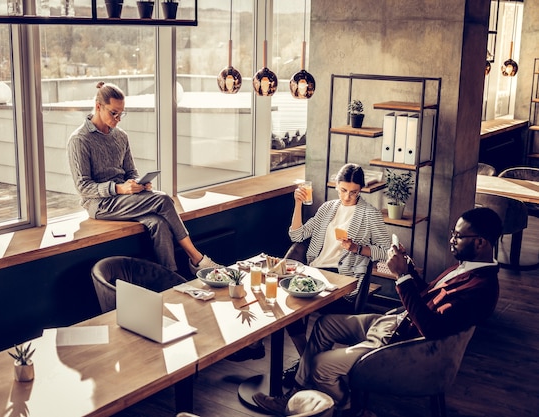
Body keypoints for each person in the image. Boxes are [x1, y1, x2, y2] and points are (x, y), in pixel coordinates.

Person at [251, 207, 502, 416]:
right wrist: (410, 269)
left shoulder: (481, 288)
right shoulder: (465, 268)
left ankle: (348, 407)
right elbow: (429, 297)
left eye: (458, 235)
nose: (452, 239)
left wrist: (402, 276)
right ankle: (297, 393)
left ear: (480, 242)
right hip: (395, 322)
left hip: (401, 341)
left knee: (321, 366)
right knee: (325, 324)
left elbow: (432, 327)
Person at [227, 163, 391, 362]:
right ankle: (304, 360)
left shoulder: (369, 214)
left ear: (361, 190)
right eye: (343, 190)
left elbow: (385, 252)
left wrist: (356, 248)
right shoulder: (327, 208)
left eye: (354, 192)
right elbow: (297, 234)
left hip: (341, 280)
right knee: (278, 296)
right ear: (336, 186)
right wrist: (297, 204)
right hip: (315, 272)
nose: (347, 196)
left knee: (288, 303)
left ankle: (301, 362)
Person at [67, 82, 220, 274]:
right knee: (163, 199)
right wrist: (119, 188)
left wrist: (139, 184)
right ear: (98, 107)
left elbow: (131, 172)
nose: (118, 119)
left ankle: (170, 278)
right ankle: (197, 259)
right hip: (99, 204)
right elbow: (83, 186)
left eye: (121, 113)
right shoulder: (80, 140)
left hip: (126, 199)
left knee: (159, 223)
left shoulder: (120, 136)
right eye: (114, 113)